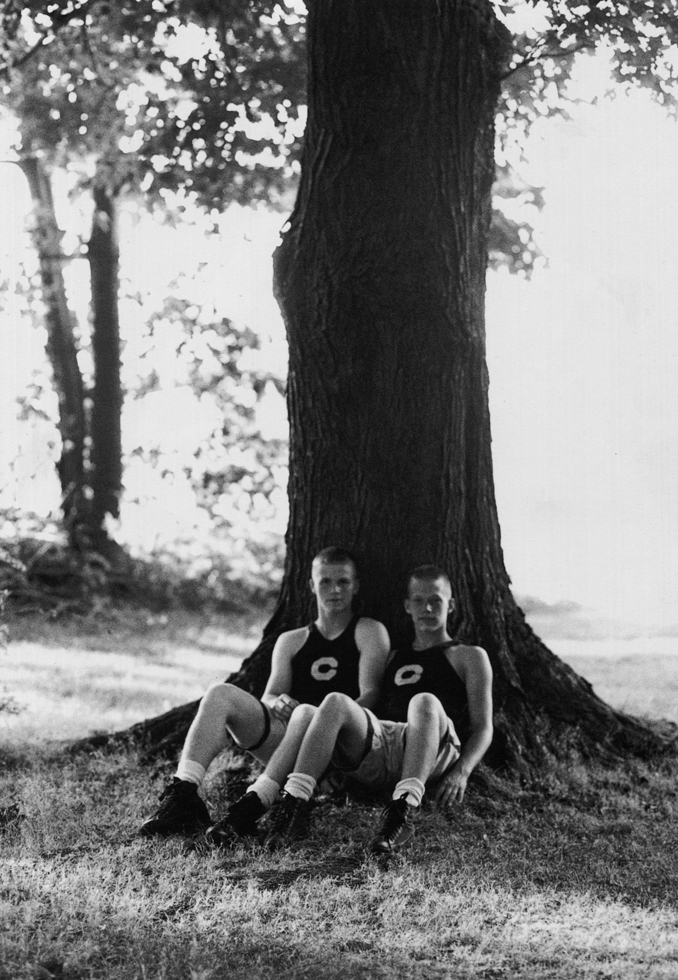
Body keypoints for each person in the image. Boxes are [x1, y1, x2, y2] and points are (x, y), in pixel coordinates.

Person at [138, 547, 390, 840]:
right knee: (220, 694)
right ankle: (182, 795)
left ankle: (259, 802)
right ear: (311, 585)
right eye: (325, 581)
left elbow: (371, 695)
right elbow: (270, 695)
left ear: (355, 586)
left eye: (343, 582)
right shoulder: (291, 640)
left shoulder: (369, 631)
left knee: (308, 713)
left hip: (340, 749)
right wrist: (277, 700)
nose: (334, 590)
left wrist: (325, 727)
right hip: (290, 739)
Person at [264, 564, 493, 854]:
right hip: (386, 744)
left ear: (452, 605)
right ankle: (294, 807)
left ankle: (400, 814)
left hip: (434, 745)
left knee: (423, 701)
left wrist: (462, 772)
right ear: (407, 606)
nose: (427, 608)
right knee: (336, 702)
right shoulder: (393, 655)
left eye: (436, 600)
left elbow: (484, 727)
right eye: (419, 601)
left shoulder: (469, 656)